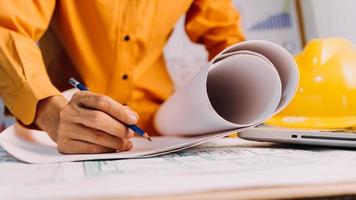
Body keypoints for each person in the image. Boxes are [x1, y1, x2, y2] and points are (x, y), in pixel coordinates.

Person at [0, 0, 244, 154]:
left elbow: (225, 37)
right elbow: (6, 29)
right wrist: (51, 112)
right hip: (66, 128)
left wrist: (241, 106)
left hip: (160, 132)